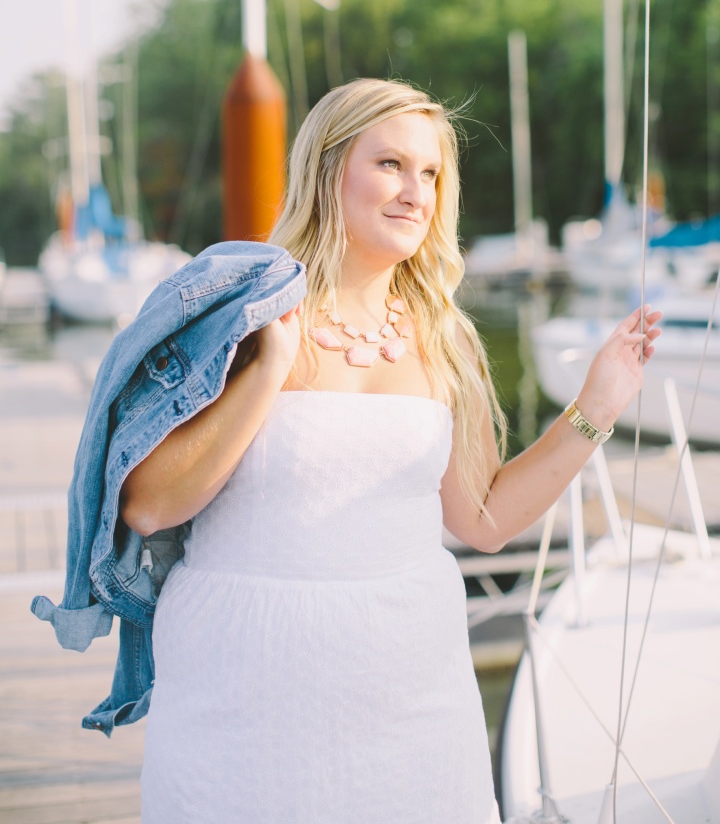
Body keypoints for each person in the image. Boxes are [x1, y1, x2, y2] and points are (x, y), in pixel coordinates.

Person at [121, 78, 661, 823]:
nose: (416, 192)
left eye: (432, 173)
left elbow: (482, 519)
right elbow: (150, 504)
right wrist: (271, 366)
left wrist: (595, 407)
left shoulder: (445, 336)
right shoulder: (240, 315)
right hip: (245, 684)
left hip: (411, 689)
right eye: (391, 165)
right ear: (328, 167)